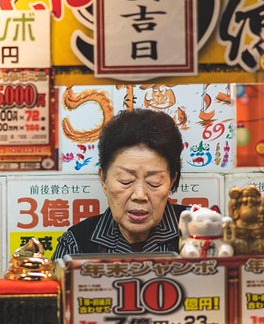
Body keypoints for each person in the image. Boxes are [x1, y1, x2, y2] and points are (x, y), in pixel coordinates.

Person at [53, 108, 189, 258]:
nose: (139, 195)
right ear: (104, 180)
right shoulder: (76, 244)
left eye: (154, 182)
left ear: (171, 182)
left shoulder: (200, 230)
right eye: (126, 180)